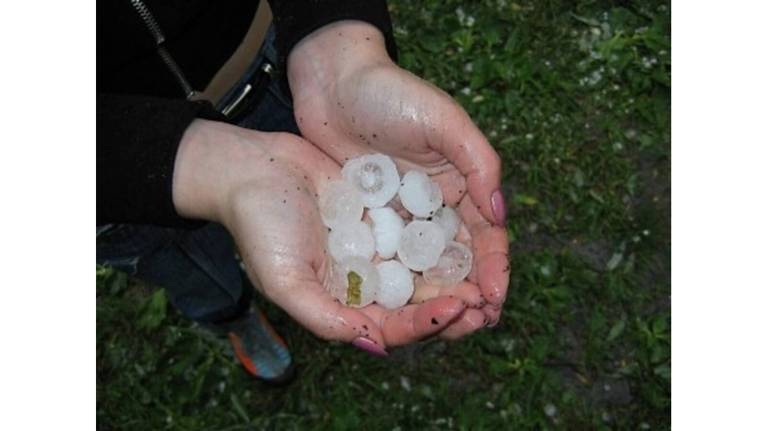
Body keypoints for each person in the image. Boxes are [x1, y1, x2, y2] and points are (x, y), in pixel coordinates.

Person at [97, 0, 510, 384]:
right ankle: (234, 318)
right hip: (120, 182)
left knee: (299, 201)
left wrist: (338, 46)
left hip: (271, 69)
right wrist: (181, 162)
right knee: (195, 273)